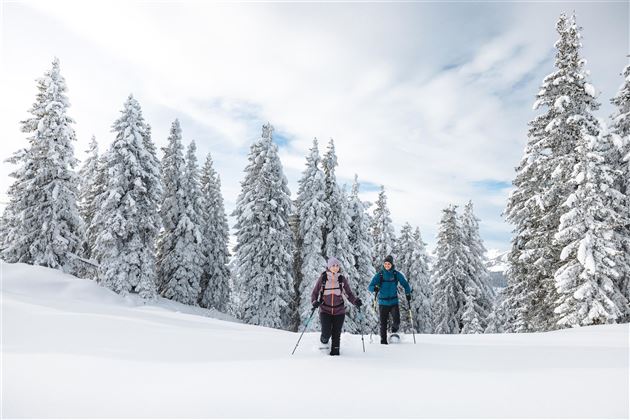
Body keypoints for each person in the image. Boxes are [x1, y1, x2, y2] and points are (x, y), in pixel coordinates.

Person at [311, 257, 362, 356]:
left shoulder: (341, 279)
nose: (335, 267)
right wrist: (314, 302)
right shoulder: (323, 278)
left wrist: (355, 301)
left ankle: (335, 356)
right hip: (325, 310)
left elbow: (348, 294)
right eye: (333, 265)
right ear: (329, 267)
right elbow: (315, 292)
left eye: (337, 265)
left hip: (339, 311)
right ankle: (324, 341)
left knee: (336, 334)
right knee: (326, 333)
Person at [368, 255, 412, 344]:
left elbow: (405, 284)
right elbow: (370, 287)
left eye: (389, 264)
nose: (387, 265)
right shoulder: (380, 275)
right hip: (383, 302)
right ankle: (383, 341)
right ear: (383, 264)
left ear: (392, 264)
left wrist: (408, 293)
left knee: (397, 321)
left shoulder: (396, 274)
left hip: (393, 302)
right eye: (385, 264)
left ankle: (393, 332)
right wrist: (375, 288)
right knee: (383, 323)